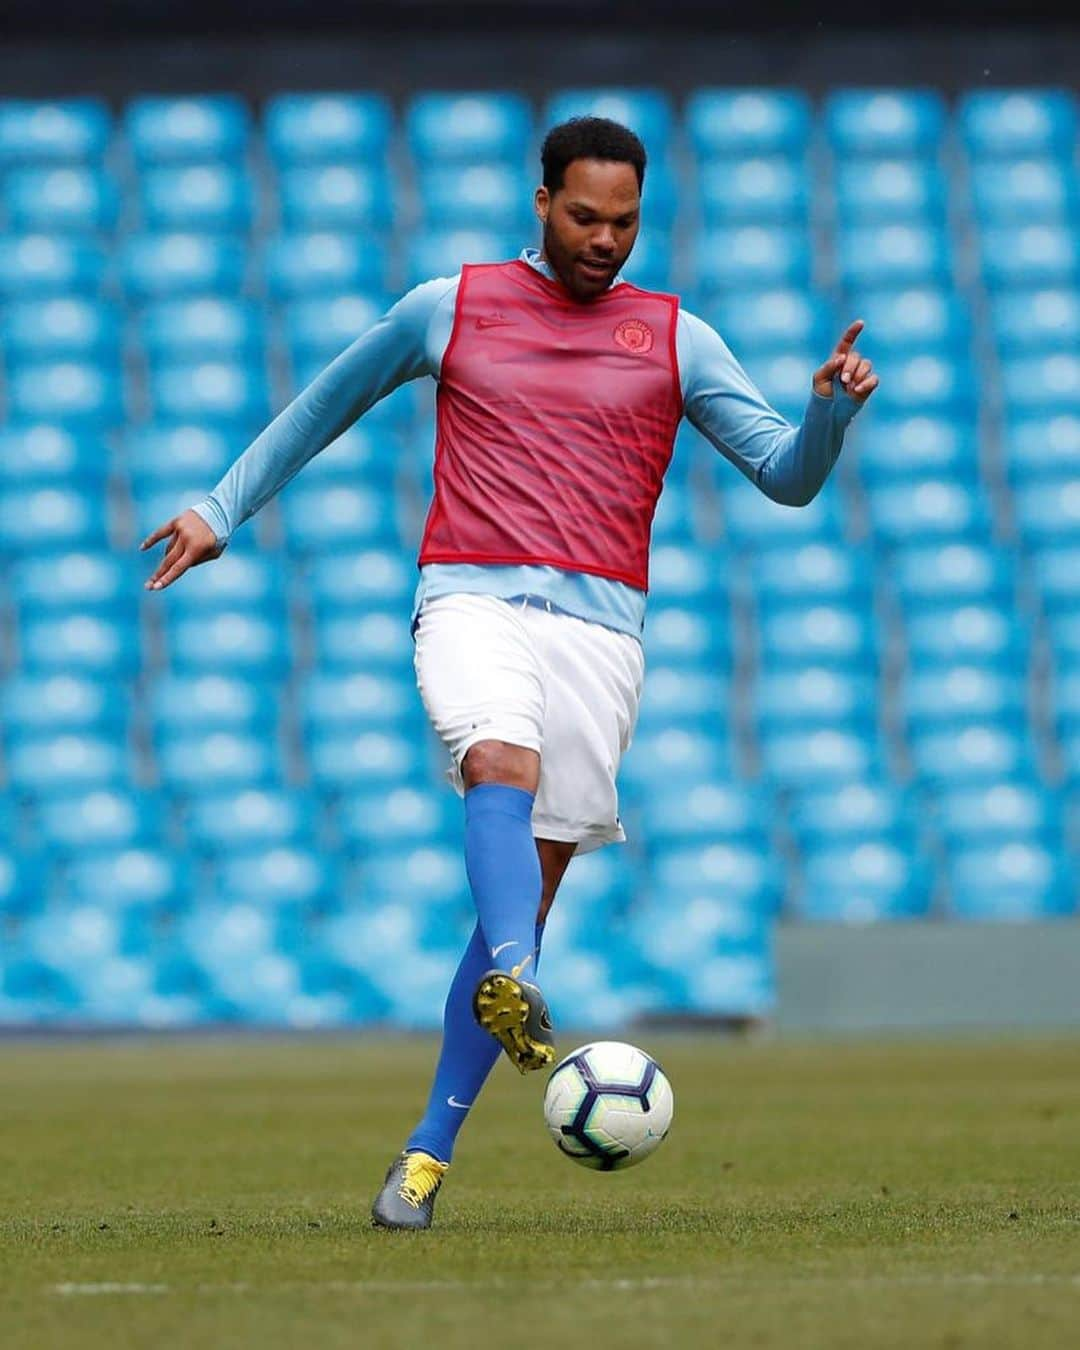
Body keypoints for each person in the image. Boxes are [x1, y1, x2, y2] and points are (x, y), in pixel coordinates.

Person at [141, 116, 878, 1230]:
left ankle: (425, 1157)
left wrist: (826, 412)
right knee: (498, 757)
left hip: (601, 638)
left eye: (625, 223)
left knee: (518, 894)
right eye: (584, 217)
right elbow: (322, 405)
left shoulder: (676, 337)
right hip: (470, 598)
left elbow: (786, 478)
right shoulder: (452, 305)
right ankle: (520, 972)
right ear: (541, 202)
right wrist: (218, 507)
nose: (605, 241)